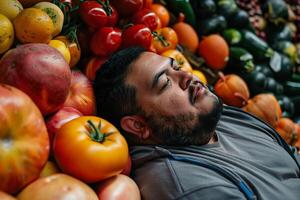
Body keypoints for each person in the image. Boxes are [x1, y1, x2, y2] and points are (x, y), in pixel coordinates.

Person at [93, 47, 300, 200]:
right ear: (138, 126)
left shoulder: (216, 118)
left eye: (176, 67)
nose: (187, 76)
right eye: (165, 83)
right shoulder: (190, 187)